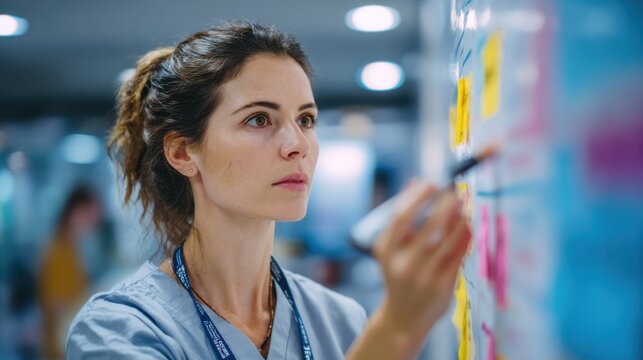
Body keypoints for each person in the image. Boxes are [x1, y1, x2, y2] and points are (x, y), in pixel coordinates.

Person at [66, 21, 470, 359]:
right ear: (182, 151)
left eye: (306, 119)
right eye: (259, 120)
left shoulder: (340, 319)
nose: (297, 144)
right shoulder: (121, 330)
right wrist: (395, 333)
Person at [39, 184, 102, 359]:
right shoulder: (60, 251)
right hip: (61, 346)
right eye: (91, 215)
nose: (94, 222)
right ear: (77, 211)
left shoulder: (70, 246)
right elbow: (57, 306)